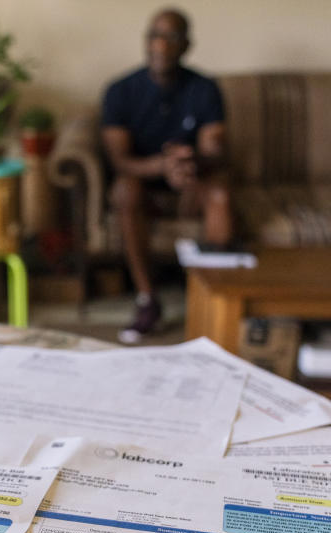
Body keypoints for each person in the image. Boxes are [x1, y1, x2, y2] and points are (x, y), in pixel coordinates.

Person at [102, 7, 233, 344]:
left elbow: (214, 148)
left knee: (220, 194)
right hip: (144, 178)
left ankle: (215, 301)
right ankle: (148, 300)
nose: (160, 45)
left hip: (193, 177)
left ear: (186, 45)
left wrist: (189, 162)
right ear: (146, 42)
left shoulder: (205, 89)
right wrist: (162, 165)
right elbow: (119, 160)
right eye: (154, 35)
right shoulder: (120, 91)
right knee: (124, 190)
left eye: (170, 37)